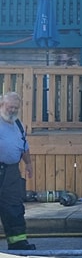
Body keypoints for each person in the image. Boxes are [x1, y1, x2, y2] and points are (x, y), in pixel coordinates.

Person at [0, 91, 35, 250]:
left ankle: (18, 243)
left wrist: (28, 163)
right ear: (2, 105)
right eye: (10, 107)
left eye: (16, 107)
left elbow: (24, 146)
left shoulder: (18, 124)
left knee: (14, 207)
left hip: (12, 172)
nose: (13, 110)